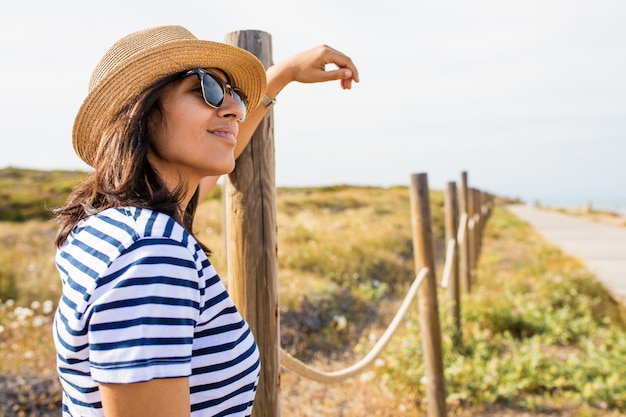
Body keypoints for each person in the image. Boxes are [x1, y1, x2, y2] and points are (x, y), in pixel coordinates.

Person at [52, 25, 359, 417]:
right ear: (141, 114)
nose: (232, 109)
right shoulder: (149, 253)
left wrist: (283, 74)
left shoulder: (113, 226)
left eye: (235, 97)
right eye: (207, 90)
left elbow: (217, 156)